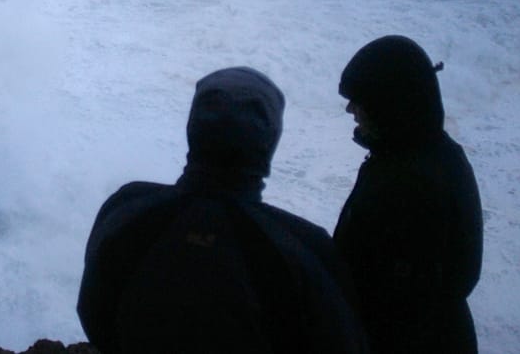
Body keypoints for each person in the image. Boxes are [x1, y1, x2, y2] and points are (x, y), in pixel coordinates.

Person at [77, 67, 369, 354]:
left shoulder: (128, 208)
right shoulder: (302, 249)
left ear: (193, 126)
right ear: (270, 139)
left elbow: (93, 312)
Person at [334, 35, 483, 354]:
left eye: (359, 100)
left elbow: (392, 308)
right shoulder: (434, 156)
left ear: (390, 106)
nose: (350, 110)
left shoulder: (410, 185)